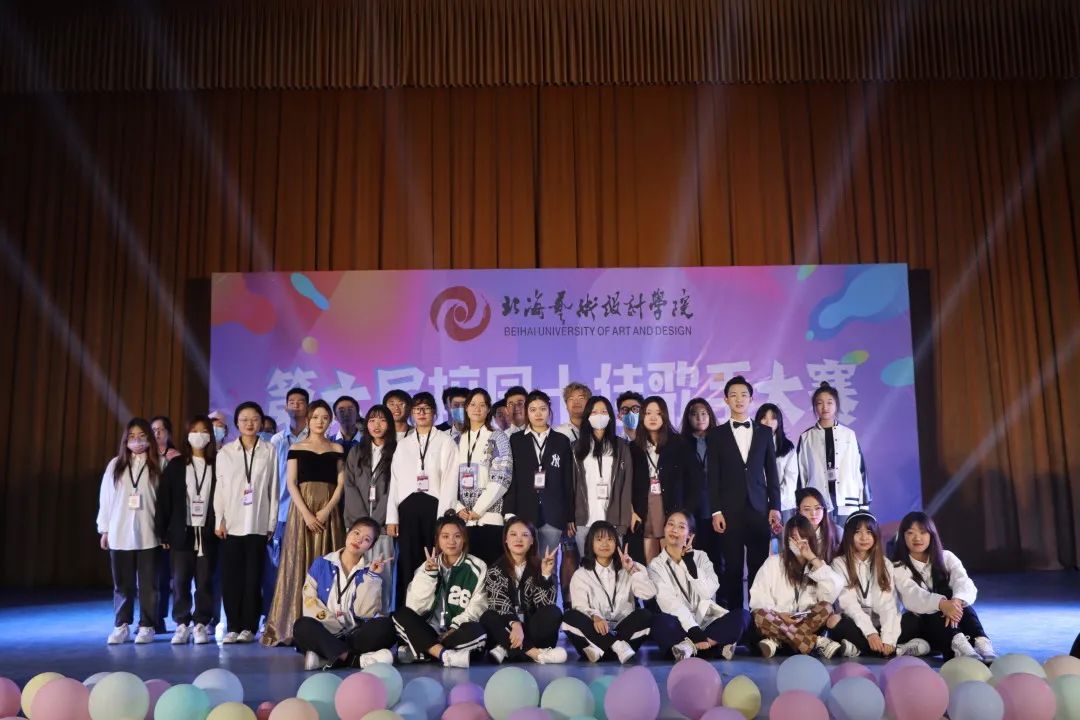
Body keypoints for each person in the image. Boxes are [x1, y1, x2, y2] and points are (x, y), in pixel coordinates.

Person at [263, 399, 346, 646]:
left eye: (325, 417)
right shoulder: (297, 447)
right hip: (302, 511)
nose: (320, 421)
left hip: (329, 512)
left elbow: (341, 483)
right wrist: (308, 515)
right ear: (308, 420)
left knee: (328, 563)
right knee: (298, 562)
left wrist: (326, 510)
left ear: (330, 421)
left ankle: (327, 625)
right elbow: (291, 483)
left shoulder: (336, 448)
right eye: (316, 417)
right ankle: (294, 624)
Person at [708, 376, 783, 611]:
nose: (739, 399)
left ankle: (757, 618)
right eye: (733, 395)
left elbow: (772, 473)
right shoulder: (716, 434)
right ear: (725, 400)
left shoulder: (764, 432)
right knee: (732, 568)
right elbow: (713, 476)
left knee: (758, 567)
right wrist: (716, 510)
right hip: (729, 511)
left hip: (759, 509)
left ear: (751, 399)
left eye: (743, 395)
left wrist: (775, 507)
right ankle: (735, 619)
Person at [890, 511, 996, 661]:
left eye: (923, 532)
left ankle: (980, 640)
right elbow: (912, 595)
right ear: (903, 536)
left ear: (932, 535)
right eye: (910, 533)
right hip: (920, 624)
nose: (917, 538)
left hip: (948, 623)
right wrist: (942, 604)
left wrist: (955, 602)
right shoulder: (898, 567)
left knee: (959, 601)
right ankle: (956, 642)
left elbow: (963, 581)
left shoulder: (946, 557)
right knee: (936, 606)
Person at [293, 517, 396, 670]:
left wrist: (371, 577)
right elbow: (309, 601)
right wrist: (336, 629)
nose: (359, 540)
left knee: (385, 626)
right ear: (348, 533)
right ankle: (355, 660)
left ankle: (328, 657)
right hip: (325, 631)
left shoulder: (369, 571)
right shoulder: (322, 563)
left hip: (354, 636)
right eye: (356, 533)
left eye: (366, 539)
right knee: (302, 626)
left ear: (370, 547)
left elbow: (365, 613)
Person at [214, 402, 278, 644]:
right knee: (231, 578)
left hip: (258, 523)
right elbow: (220, 488)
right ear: (237, 423)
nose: (250, 423)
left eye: (254, 419)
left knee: (253, 578)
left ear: (261, 422)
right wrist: (219, 519)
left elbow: (274, 487)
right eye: (244, 419)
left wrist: (271, 522)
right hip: (231, 523)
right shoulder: (226, 452)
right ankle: (232, 626)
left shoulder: (269, 450)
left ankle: (249, 627)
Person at [387, 392, 458, 609]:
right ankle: (406, 613)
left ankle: (435, 612)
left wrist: (444, 518)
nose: (421, 413)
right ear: (411, 413)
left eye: (426, 408)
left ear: (434, 413)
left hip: (434, 509)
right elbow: (395, 481)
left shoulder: (445, 441)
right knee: (408, 562)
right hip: (407, 509)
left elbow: (450, 480)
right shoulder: (404, 444)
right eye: (417, 409)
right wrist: (392, 517)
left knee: (434, 560)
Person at [391, 513, 488, 668]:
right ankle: (444, 655)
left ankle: (426, 651)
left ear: (464, 539)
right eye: (445, 536)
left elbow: (479, 604)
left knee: (478, 632)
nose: (451, 541)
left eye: (457, 536)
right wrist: (429, 575)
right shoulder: (426, 567)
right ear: (438, 540)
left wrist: (455, 626)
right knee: (402, 615)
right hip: (429, 630)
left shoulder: (478, 566)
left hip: (456, 632)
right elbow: (415, 607)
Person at [97, 418, 163, 645]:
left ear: (149, 439)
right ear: (126, 440)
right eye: (132, 436)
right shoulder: (116, 465)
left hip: (149, 532)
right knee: (122, 584)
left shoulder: (158, 464)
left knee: (148, 584)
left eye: (142, 436)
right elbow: (106, 498)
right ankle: (121, 624)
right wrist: (104, 529)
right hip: (120, 531)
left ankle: (147, 625)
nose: (137, 441)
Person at [648, 511, 747, 660]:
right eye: (670, 524)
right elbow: (667, 602)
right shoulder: (656, 565)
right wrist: (693, 630)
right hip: (680, 625)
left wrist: (690, 566)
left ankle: (689, 648)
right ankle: (715, 646)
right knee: (660, 622)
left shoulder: (701, 557)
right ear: (664, 529)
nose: (674, 530)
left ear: (690, 535)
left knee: (743, 616)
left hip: (706, 622)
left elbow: (708, 592)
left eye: (681, 527)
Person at [156, 416, 220, 645]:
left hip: (208, 532)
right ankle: (182, 624)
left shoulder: (217, 464)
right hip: (181, 531)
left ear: (210, 436)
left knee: (204, 581)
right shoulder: (176, 465)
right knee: (180, 581)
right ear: (187, 435)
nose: (199, 435)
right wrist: (163, 532)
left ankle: (201, 623)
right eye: (194, 430)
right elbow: (164, 500)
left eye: (204, 431)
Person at [504, 390, 574, 600]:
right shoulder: (516, 440)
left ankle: (549, 608)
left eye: (543, 409)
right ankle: (526, 610)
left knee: (549, 565)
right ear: (526, 412)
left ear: (549, 411)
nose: (538, 414)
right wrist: (509, 512)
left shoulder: (561, 440)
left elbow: (568, 482)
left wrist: (569, 516)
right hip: (524, 515)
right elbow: (511, 479)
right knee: (523, 566)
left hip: (554, 514)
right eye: (533, 409)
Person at [748, 515, 844, 658]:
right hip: (778, 620)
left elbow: (834, 589)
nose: (799, 542)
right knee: (759, 614)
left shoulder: (817, 564)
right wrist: (779, 614)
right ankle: (816, 643)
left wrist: (812, 558)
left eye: (803, 537)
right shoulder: (773, 562)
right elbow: (758, 598)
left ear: (811, 538)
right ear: (786, 539)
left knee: (827, 607)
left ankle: (779, 641)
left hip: (805, 623)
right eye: (793, 537)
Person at [561, 521, 655, 663]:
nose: (605, 544)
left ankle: (600, 650)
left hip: (623, 631)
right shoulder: (581, 574)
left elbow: (648, 593)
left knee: (645, 615)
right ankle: (616, 647)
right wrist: (596, 617)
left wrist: (632, 570)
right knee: (570, 616)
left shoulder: (629, 567)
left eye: (610, 539)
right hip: (596, 631)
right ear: (590, 544)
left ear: (616, 543)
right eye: (599, 539)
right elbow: (580, 606)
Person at [479, 519, 566, 664]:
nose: (519, 539)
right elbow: (499, 604)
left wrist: (545, 575)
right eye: (513, 534)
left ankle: (506, 649)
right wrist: (515, 624)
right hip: (508, 628)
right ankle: (535, 653)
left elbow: (544, 606)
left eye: (525, 535)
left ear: (532, 541)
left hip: (533, 630)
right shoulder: (495, 570)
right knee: (488, 616)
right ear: (506, 539)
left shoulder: (539, 566)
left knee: (553, 611)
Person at [632, 396, 702, 564]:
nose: (653, 417)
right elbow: (628, 484)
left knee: (672, 557)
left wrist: (686, 511)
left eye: (658, 413)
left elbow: (696, 479)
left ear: (664, 416)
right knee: (649, 559)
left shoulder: (679, 443)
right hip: (645, 506)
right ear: (642, 417)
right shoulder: (634, 447)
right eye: (648, 413)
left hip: (673, 505)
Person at [449, 388, 513, 564]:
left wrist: (479, 509)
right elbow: (448, 480)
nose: (477, 409)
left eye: (482, 405)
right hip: (462, 520)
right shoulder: (456, 440)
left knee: (492, 571)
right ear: (466, 408)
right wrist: (458, 507)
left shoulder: (498, 437)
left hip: (490, 518)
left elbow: (502, 477)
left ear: (488, 409)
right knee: (467, 573)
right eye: (473, 404)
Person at [343, 404, 397, 613]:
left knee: (382, 574)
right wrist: (362, 524)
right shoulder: (357, 451)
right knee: (357, 573)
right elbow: (349, 486)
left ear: (389, 425)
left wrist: (377, 521)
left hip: (383, 527)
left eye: (382, 420)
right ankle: (354, 618)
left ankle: (381, 619)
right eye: (372, 420)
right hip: (358, 528)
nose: (377, 425)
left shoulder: (397, 451)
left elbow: (394, 489)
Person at [828, 511, 900, 658]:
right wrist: (870, 633)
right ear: (849, 535)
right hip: (854, 624)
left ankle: (858, 649)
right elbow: (849, 604)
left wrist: (887, 637)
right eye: (857, 532)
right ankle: (892, 651)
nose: (864, 537)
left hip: (879, 624)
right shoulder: (839, 563)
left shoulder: (885, 563)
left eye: (869, 532)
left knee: (904, 621)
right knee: (833, 621)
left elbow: (887, 604)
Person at [796, 382, 870, 523]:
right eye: (820, 403)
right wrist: (800, 504)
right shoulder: (806, 437)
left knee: (846, 536)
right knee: (820, 537)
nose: (825, 407)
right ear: (814, 407)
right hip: (817, 505)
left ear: (836, 405)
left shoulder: (849, 435)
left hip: (847, 500)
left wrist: (864, 504)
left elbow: (859, 469)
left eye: (829, 402)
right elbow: (801, 473)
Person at [571, 396, 635, 554]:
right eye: (594, 412)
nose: (599, 415)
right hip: (584, 521)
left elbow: (627, 485)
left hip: (613, 521)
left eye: (604, 412)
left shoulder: (621, 446)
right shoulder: (576, 448)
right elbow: (571, 485)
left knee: (614, 565)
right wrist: (570, 517)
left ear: (610, 416)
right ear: (587, 417)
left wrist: (623, 521)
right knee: (586, 564)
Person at [268, 388, 311, 604]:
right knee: (281, 565)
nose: (295, 405)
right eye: (291, 401)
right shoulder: (276, 440)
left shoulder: (315, 437)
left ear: (308, 407)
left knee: (307, 561)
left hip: (309, 510)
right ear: (285, 407)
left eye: (300, 401)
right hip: (283, 511)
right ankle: (279, 610)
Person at [680, 398, 721, 591]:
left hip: (717, 508)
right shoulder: (681, 443)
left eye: (704, 413)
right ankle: (696, 599)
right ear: (688, 418)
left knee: (718, 558)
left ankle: (722, 601)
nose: (700, 418)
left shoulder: (720, 440)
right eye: (694, 414)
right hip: (691, 509)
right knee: (693, 557)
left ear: (710, 415)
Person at [150, 414, 181, 632]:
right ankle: (151, 617)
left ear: (168, 433)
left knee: (166, 575)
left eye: (161, 429)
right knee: (149, 575)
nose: (157, 433)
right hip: (145, 519)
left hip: (168, 523)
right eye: (153, 430)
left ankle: (166, 618)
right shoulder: (144, 457)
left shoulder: (176, 458)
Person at [755, 403, 798, 523]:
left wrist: (774, 499)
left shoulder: (788, 447)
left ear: (779, 422)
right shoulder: (751, 446)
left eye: (773, 418)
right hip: (758, 504)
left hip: (783, 505)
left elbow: (791, 480)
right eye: (764, 418)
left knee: (785, 535)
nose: (768, 422)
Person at [795, 487, 841, 563]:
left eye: (818, 508)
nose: (813, 513)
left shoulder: (837, 531)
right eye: (807, 509)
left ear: (824, 509)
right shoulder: (794, 533)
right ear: (799, 511)